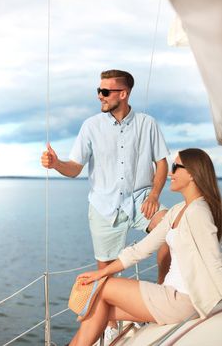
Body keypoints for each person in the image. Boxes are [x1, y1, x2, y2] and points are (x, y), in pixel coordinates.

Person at [41, 69, 169, 343]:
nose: (100, 96)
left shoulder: (148, 123)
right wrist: (56, 163)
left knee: (171, 230)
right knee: (107, 273)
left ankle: (163, 292)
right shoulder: (90, 126)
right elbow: (74, 168)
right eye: (98, 90)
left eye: (105, 91)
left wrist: (155, 195)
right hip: (104, 206)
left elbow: (162, 163)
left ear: (123, 94)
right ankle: (111, 324)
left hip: (140, 199)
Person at [67, 148, 222, 346]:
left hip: (183, 300)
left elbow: (215, 261)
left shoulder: (199, 212)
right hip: (169, 295)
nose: (169, 173)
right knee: (97, 308)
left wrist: (101, 277)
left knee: (104, 288)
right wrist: (101, 272)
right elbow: (140, 250)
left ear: (192, 173)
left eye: (175, 167)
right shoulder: (177, 211)